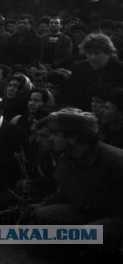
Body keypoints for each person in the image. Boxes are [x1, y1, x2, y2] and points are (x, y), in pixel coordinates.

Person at [30, 110, 123, 258]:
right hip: (87, 211)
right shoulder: (68, 157)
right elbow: (67, 193)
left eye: (55, 134)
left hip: (116, 217)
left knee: (90, 234)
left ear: (72, 138)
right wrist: (43, 203)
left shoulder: (115, 160)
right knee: (44, 214)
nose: (51, 138)